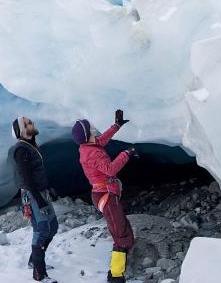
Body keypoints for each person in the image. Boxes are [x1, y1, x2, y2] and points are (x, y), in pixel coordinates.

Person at [73, 109, 137, 283]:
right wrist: (126, 154)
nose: (94, 130)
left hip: (106, 194)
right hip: (105, 196)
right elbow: (110, 169)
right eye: (91, 129)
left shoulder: (89, 146)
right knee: (120, 234)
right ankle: (116, 275)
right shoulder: (91, 153)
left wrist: (116, 125)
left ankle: (122, 263)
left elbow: (102, 140)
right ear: (87, 135)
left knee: (121, 228)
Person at [12, 115, 59, 282]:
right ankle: (39, 274)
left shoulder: (30, 145)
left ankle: (34, 261)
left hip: (40, 192)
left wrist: (49, 189)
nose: (31, 124)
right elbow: (26, 177)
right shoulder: (21, 149)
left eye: (30, 121)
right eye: (26, 123)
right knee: (41, 230)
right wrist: (38, 199)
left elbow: (37, 173)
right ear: (20, 131)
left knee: (52, 227)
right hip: (32, 195)